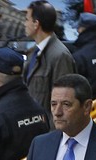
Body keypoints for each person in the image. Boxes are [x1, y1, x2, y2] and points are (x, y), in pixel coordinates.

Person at [23, 0, 75, 129]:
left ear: (36, 24)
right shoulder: (33, 52)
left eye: (27, 19)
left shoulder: (60, 55)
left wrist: (53, 139)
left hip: (46, 132)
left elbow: (64, 103)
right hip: (31, 128)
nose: (24, 24)